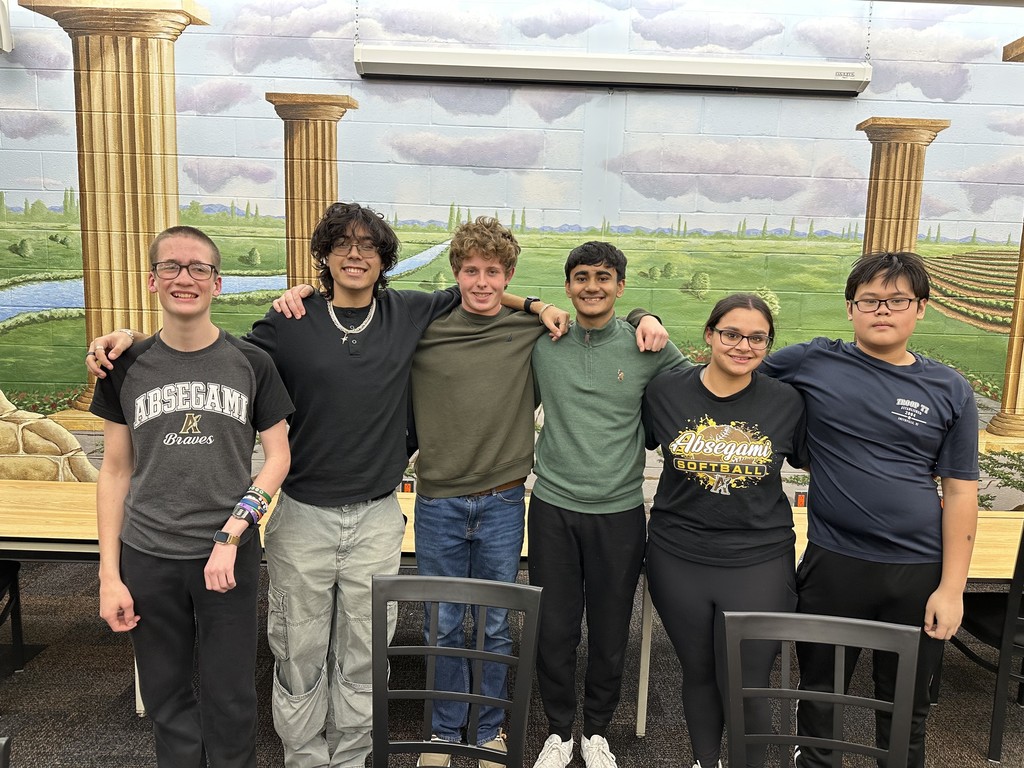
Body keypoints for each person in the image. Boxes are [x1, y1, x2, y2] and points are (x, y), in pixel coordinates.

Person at [88, 204, 570, 768]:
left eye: (368, 246)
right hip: (302, 514)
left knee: (365, 651)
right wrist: (130, 339)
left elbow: (479, 292)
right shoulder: (289, 322)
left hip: (377, 516)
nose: (356, 254)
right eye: (342, 244)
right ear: (325, 255)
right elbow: (207, 348)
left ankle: (352, 755)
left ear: (385, 259)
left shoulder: (406, 311)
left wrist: (537, 303)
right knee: (300, 650)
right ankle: (305, 756)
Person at [760, 251, 979, 768]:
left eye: (898, 300)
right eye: (870, 300)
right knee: (821, 696)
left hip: (918, 572)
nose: (883, 310)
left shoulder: (949, 389)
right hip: (835, 563)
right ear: (850, 308)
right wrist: (644, 320)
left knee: (906, 707)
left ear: (920, 308)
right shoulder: (812, 360)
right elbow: (734, 371)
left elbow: (962, 492)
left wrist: (952, 590)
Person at [91, 225, 293, 768]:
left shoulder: (252, 364)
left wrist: (232, 533)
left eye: (198, 268)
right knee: (165, 696)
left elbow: (277, 458)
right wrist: (110, 576)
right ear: (152, 280)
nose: (186, 277)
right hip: (149, 556)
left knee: (230, 699)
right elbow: (114, 471)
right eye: (172, 267)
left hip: (226, 555)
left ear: (218, 283)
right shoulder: (123, 365)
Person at [527, 241, 686, 768]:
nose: (591, 286)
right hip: (552, 506)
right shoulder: (544, 340)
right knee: (555, 627)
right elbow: (489, 296)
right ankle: (558, 730)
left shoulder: (650, 347)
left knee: (611, 627)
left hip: (619, 512)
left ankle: (596, 731)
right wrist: (534, 306)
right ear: (567, 285)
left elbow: (702, 388)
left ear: (620, 285)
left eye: (602, 277)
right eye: (580, 277)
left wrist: (649, 317)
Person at [642, 293, 808, 768]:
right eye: (731, 333)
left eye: (758, 337)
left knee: (747, 678)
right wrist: (642, 315)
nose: (743, 345)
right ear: (710, 335)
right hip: (679, 555)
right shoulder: (666, 393)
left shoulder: (787, 403)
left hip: (759, 557)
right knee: (697, 671)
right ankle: (705, 760)